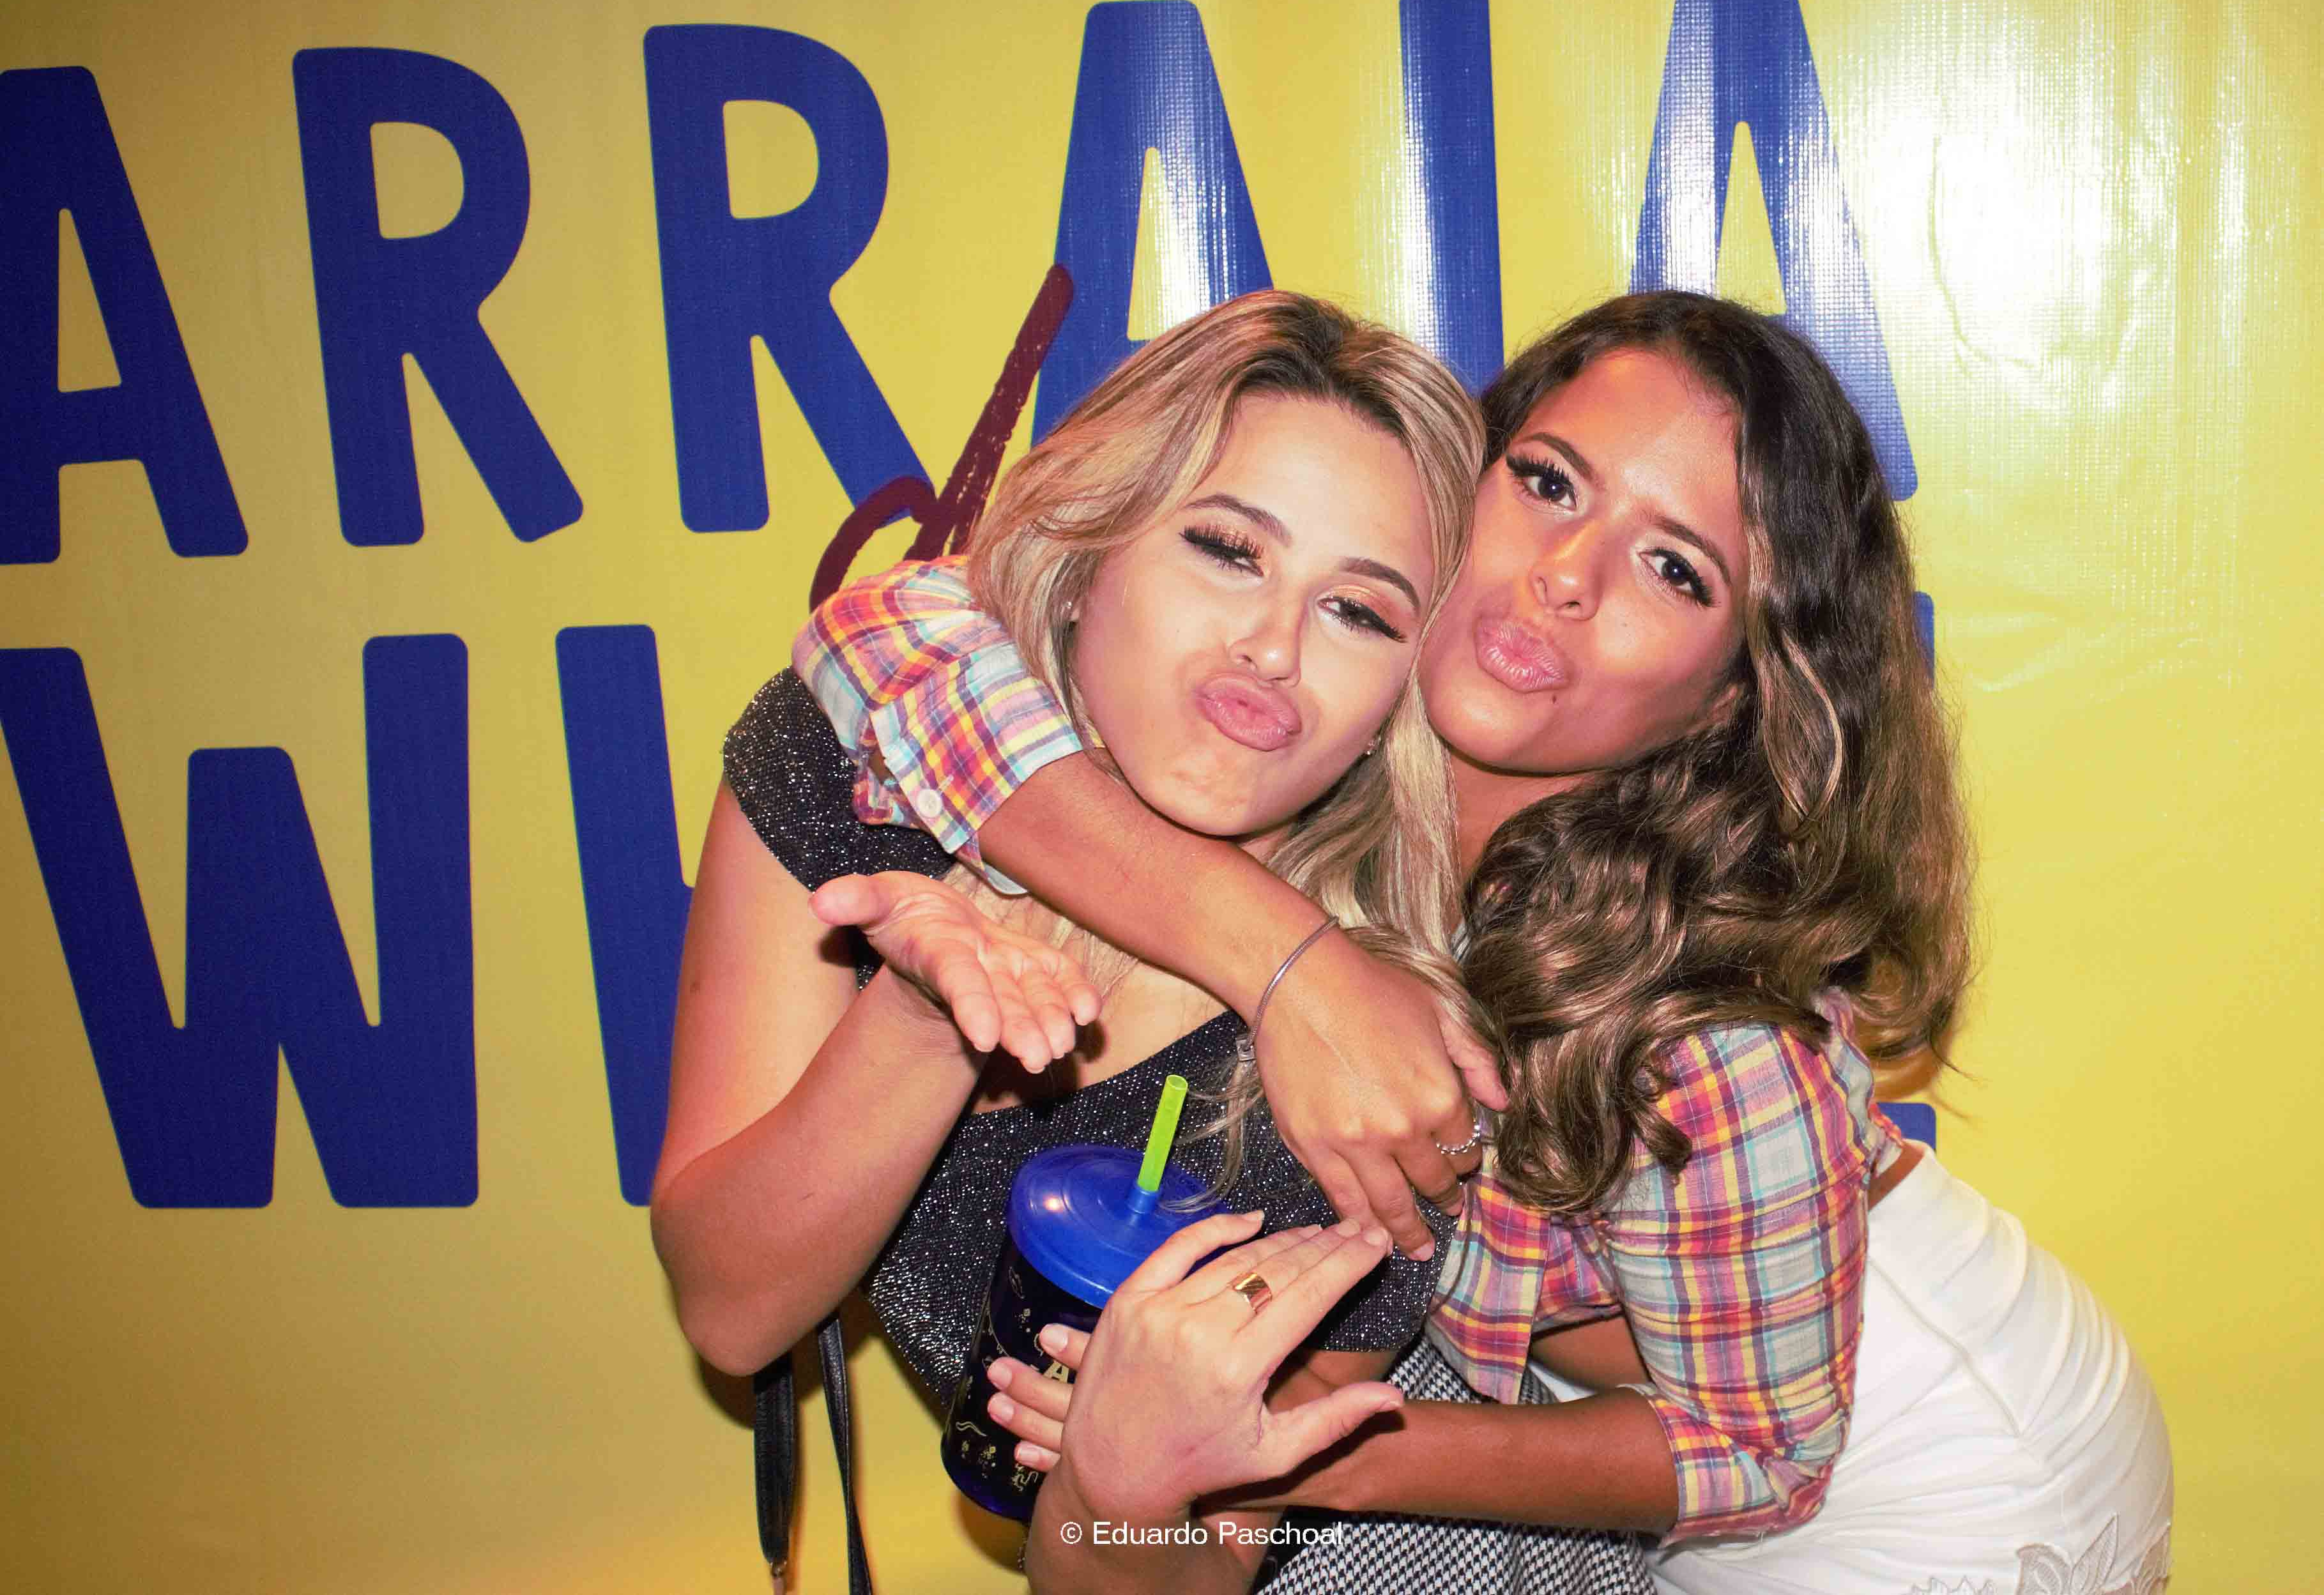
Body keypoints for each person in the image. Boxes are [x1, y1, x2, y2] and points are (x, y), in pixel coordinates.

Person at [790, 291, 2175, 1592]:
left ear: (1725, 698)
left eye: (1674, 569)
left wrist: (1292, 1453)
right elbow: (889, 634)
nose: (1565, 576)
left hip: (1930, 1466)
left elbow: (1761, 1455)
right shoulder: (1322, 683)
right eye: (1550, 483)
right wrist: (1283, 957)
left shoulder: (1709, 1031)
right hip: (1647, 1435)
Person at [648, 289, 1653, 1593]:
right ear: (1089, 554)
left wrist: (1124, 1483)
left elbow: (1171, 1567)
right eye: (1227, 549)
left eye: (1358, 612)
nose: (1273, 647)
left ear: (1397, 705)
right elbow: (734, 1311)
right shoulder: (857, 776)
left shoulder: (1389, 1047)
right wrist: (923, 1018)